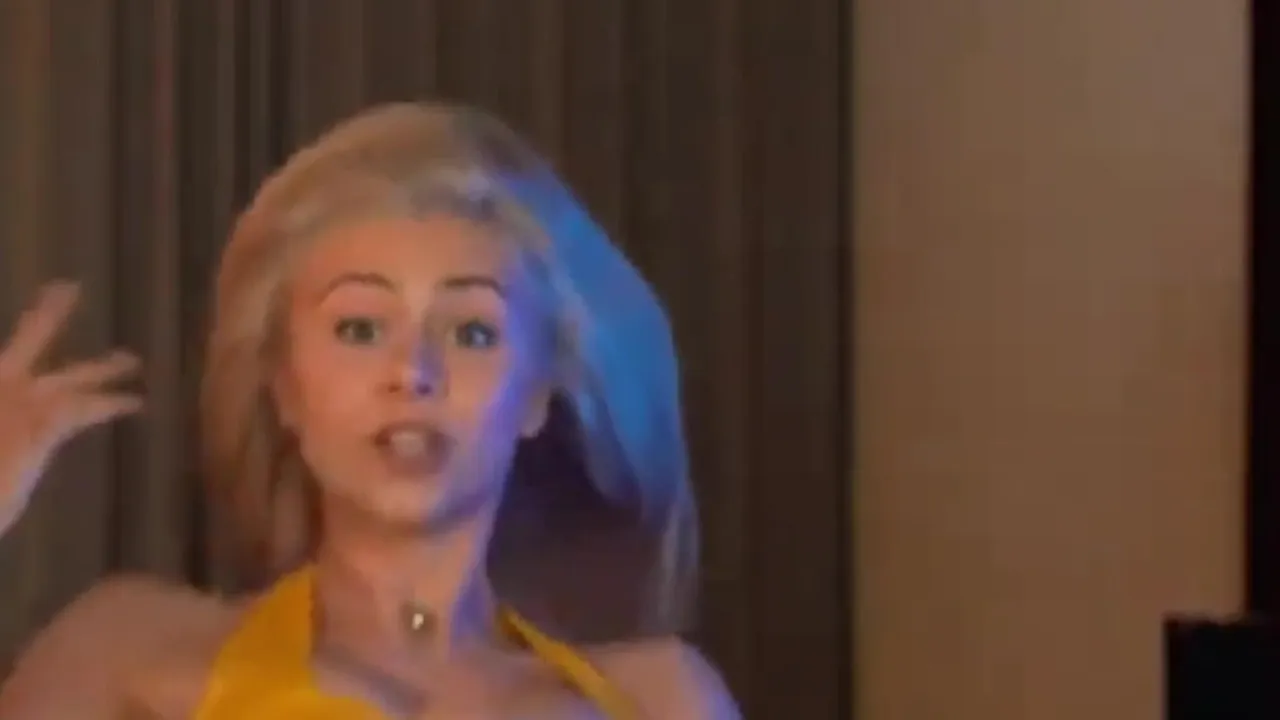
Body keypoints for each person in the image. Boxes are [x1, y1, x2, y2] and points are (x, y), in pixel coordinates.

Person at [0, 103, 738, 719]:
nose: (413, 373)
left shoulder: (657, 697)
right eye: (359, 328)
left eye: (472, 332)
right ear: (283, 385)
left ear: (537, 394)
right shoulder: (127, 655)